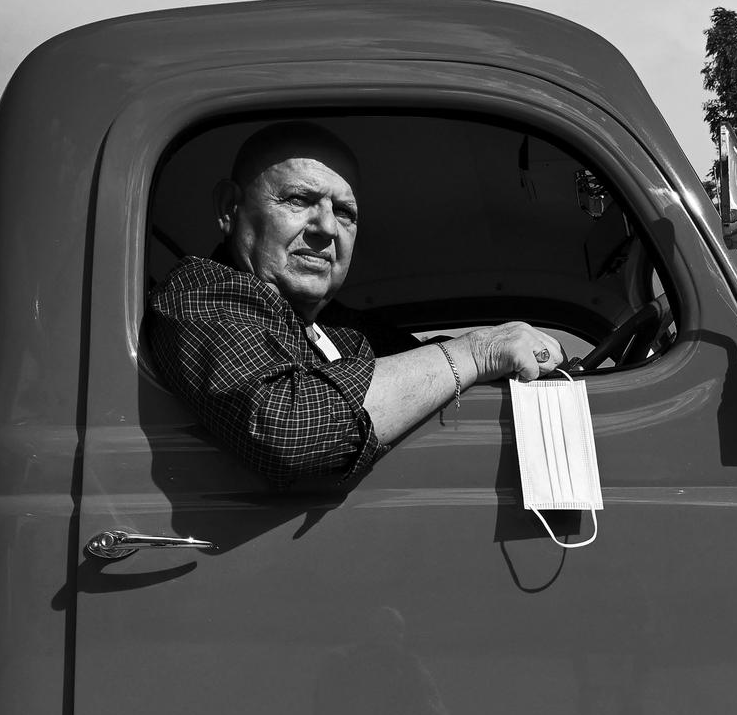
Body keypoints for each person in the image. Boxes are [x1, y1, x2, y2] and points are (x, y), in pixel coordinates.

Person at [149, 121, 564, 488]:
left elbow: (416, 359)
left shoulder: (338, 327)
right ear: (229, 209)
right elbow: (289, 432)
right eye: (298, 199)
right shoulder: (198, 293)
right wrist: (475, 353)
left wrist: (529, 351)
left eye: (345, 212)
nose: (327, 227)